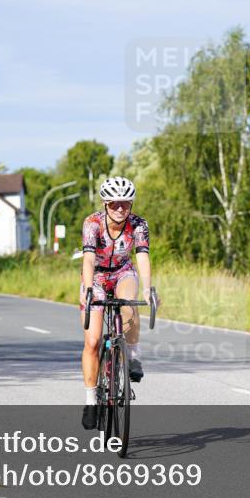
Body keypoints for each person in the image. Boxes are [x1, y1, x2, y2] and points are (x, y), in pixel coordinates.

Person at [79, 176, 157, 430]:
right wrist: (89, 288)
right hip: (97, 276)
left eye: (126, 203)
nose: (121, 208)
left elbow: (142, 257)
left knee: (128, 303)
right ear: (105, 203)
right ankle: (91, 400)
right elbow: (89, 259)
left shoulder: (138, 225)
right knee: (92, 341)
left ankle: (133, 354)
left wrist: (147, 288)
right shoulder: (92, 223)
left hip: (123, 271)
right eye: (115, 204)